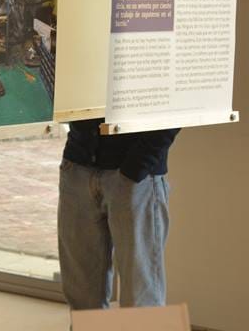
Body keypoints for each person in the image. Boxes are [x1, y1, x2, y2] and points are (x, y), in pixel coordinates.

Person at [58, 120, 179, 309]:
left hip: (137, 177)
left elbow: (179, 102)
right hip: (77, 166)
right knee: (82, 298)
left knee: (141, 300)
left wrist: (139, 165)